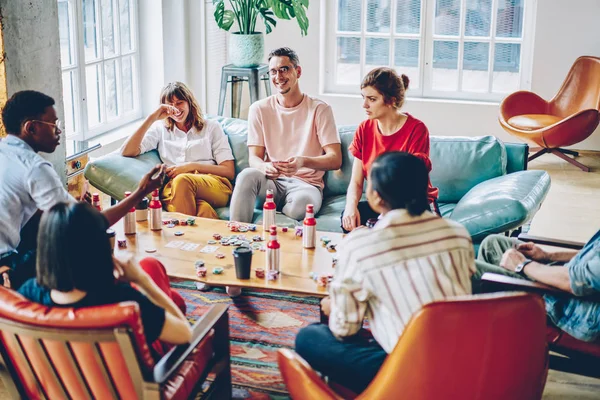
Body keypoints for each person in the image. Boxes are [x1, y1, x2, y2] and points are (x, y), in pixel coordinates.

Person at [295, 151, 474, 394]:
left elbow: (345, 328)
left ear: (376, 197)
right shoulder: (458, 234)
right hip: (465, 362)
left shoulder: (361, 246)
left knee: (310, 337)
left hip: (409, 374)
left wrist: (333, 306)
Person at [0, 90, 164, 290]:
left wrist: (75, 207)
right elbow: (87, 227)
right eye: (54, 125)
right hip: (6, 264)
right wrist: (140, 192)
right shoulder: (35, 168)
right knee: (82, 243)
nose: (59, 132)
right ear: (31, 127)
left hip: (14, 247)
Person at [18, 202, 192, 357]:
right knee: (156, 274)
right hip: (140, 385)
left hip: (62, 386)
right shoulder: (125, 302)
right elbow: (185, 334)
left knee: (158, 276)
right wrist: (141, 280)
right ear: (98, 248)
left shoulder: (29, 292)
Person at [229, 47, 342, 223]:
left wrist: (303, 161)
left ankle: (274, 223)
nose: (278, 76)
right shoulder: (259, 109)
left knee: (301, 206)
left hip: (306, 186)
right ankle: (236, 237)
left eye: (284, 69)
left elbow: (335, 159)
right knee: (246, 175)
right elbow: (254, 159)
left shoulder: (320, 109)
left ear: (298, 71)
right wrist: (264, 167)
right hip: (271, 182)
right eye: (273, 71)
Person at [342, 67, 438, 233]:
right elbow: (356, 182)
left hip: (411, 206)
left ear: (391, 100)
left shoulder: (417, 129)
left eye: (372, 99)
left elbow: (413, 184)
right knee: (349, 219)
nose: (364, 105)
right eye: (363, 97)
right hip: (382, 204)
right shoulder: (364, 128)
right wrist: (351, 207)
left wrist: (385, 221)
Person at [121, 81, 235, 219]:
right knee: (203, 211)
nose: (175, 108)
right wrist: (152, 118)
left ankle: (183, 239)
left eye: (180, 102)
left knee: (182, 180)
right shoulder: (160, 129)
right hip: (175, 189)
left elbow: (229, 171)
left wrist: (190, 167)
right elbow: (127, 151)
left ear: (189, 102)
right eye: (170, 104)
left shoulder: (211, 127)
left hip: (213, 184)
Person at [473, 232, 600, 342]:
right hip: (568, 277)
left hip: (570, 304)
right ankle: (486, 336)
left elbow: (578, 282)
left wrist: (523, 265)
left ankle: (475, 344)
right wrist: (548, 256)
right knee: (492, 245)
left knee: (470, 271)